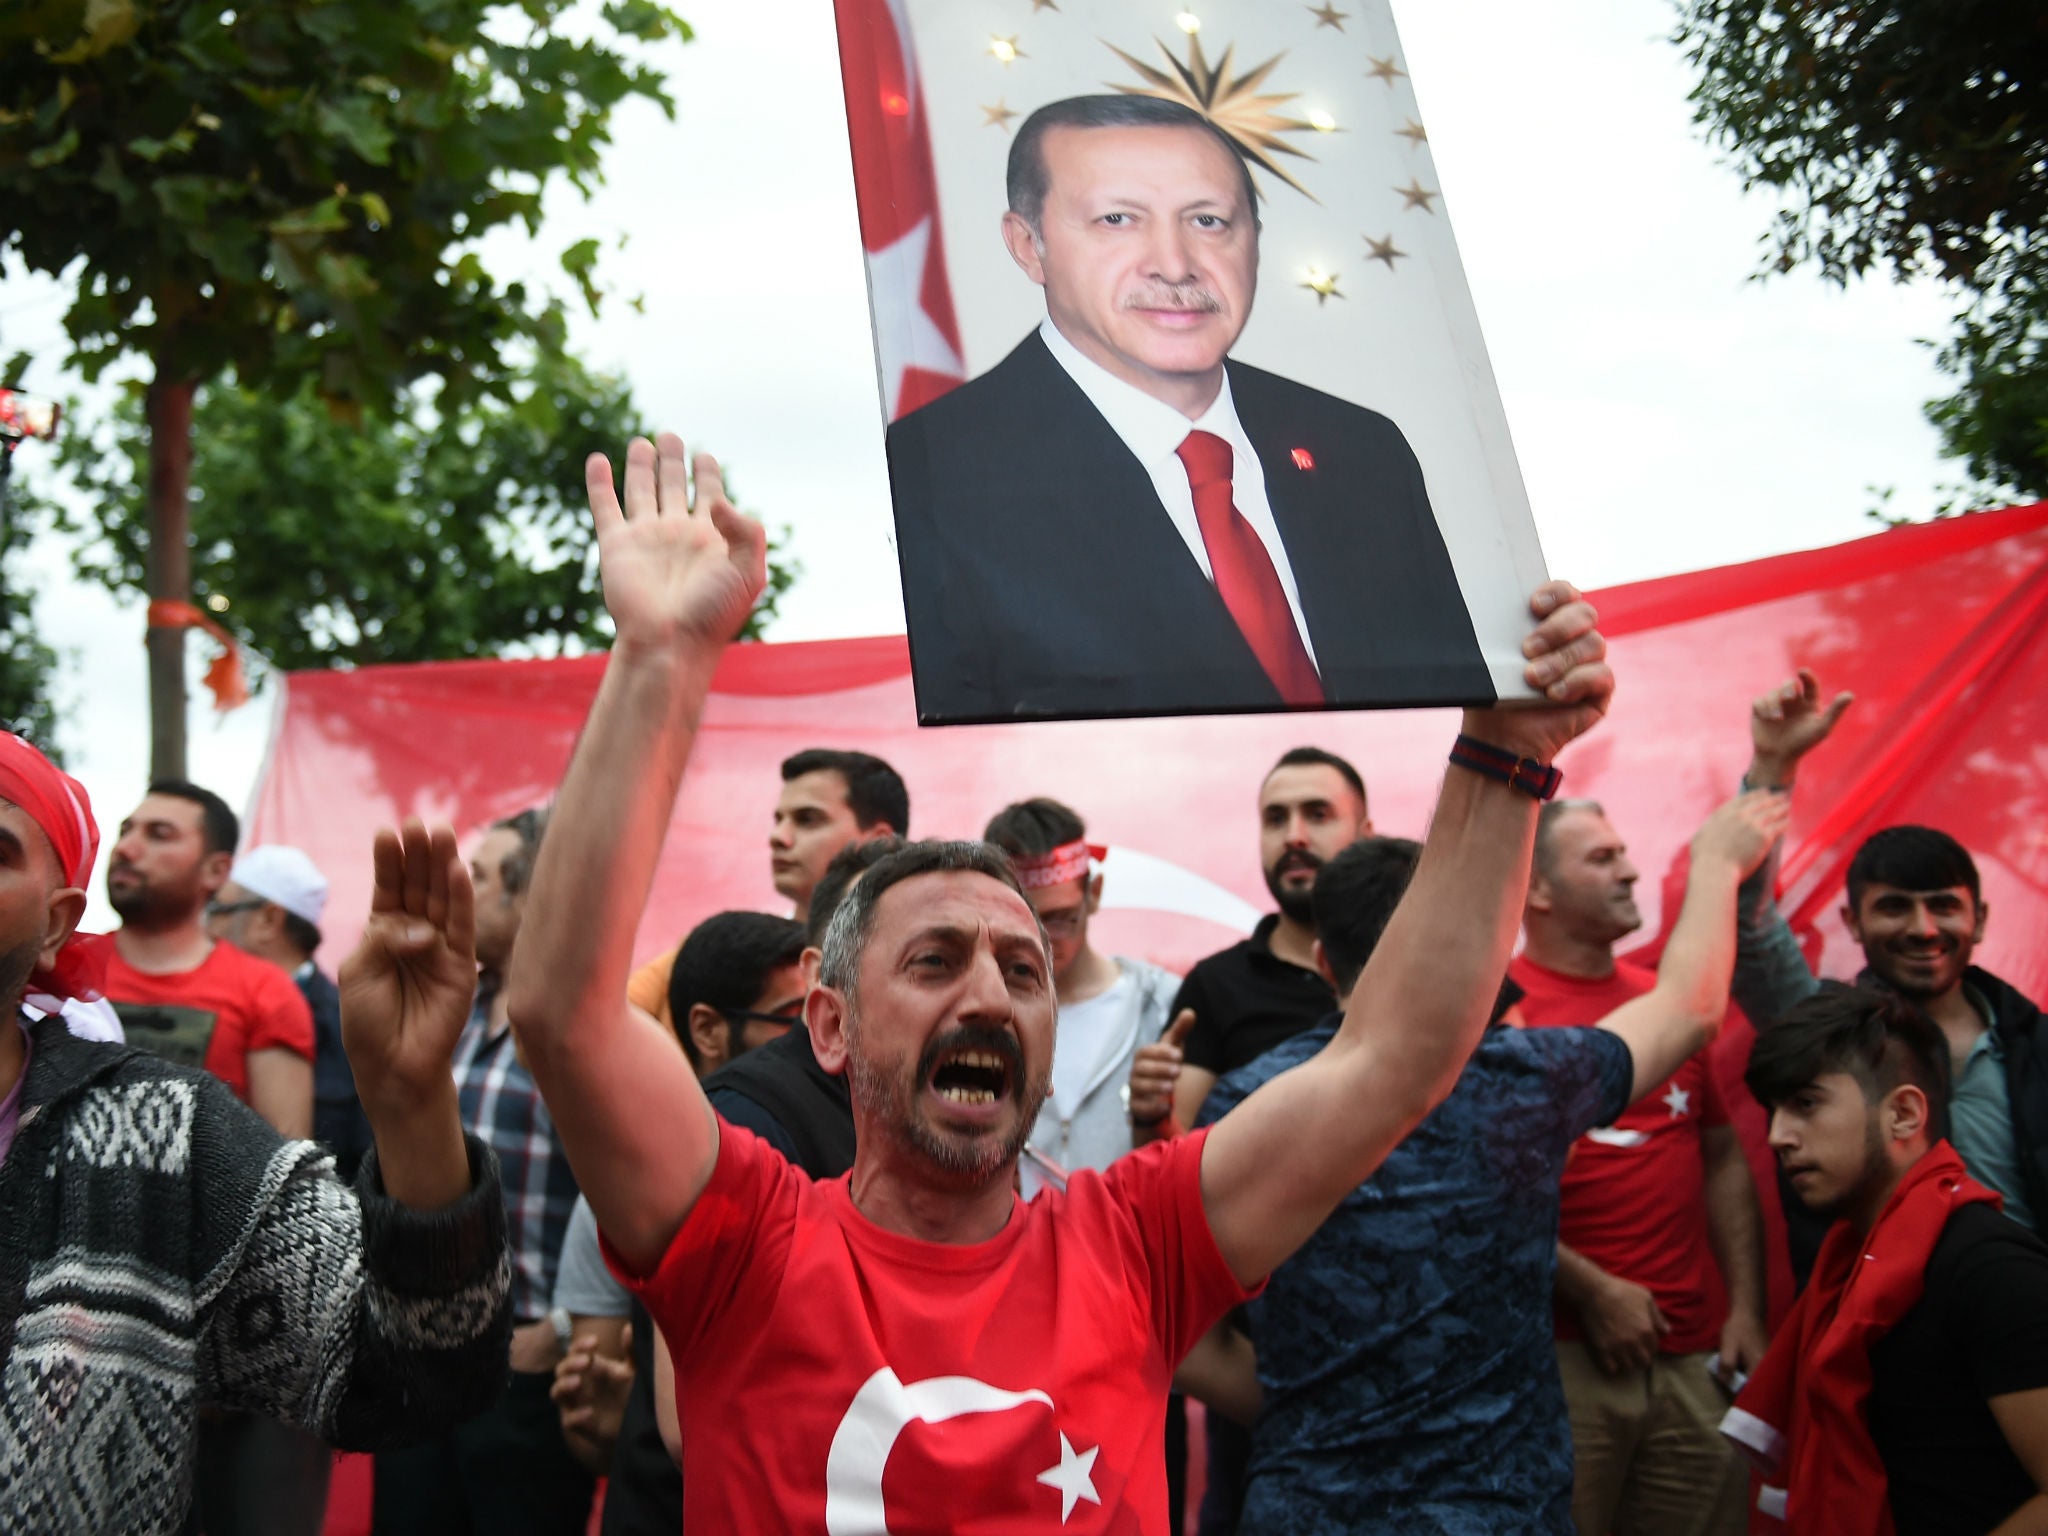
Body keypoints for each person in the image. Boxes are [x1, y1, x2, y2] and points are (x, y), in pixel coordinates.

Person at [501, 432, 1610, 1529]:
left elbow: (1393, 1057)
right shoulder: (744, 1239)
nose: (987, 993)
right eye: (934, 961)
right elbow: (565, 1014)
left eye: (1021, 969)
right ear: (828, 1028)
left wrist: (1509, 757)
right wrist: (659, 657)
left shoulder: (1135, 1245)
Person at [1197, 792, 1785, 1533]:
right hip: (1499, 1512)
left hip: (1311, 1503)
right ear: (1464, 951)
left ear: (1323, 960)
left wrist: (1313, 1409)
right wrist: (1717, 863)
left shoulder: (1242, 1105)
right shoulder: (1523, 1082)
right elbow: (1693, 1005)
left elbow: (1181, 1333)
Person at [0, 732, 514, 1536]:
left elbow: (411, 1369)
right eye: (129, 830)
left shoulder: (163, 1126)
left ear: (58, 923)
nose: (136, 846)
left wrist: (414, 1103)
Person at [885, 93, 1489, 722]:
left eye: (1208, 221)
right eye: (1118, 220)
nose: (1174, 265)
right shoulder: (930, 480)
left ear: (1254, 240)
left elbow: (1451, 713)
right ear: (1028, 246)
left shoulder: (1363, 450)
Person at [1510, 799, 1769, 1536]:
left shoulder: (1668, 1005)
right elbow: (1481, 1192)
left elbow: (1719, 1151)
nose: (1630, 870)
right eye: (1601, 858)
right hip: (1561, 1362)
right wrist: (1591, 1292)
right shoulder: (1503, 1014)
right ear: (1537, 890)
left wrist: (1746, 1309)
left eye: (1624, 851)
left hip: (1696, 1363)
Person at [1732, 669, 2048, 1268]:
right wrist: (1773, 767)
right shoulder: (1826, 1032)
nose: (1924, 929)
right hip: (1879, 1340)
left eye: (1944, 907)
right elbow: (1748, 923)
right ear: (1852, 924)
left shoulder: (2037, 1042)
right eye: (1895, 907)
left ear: (1978, 920)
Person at [1726, 984, 2048, 1534]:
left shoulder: (1991, 1270)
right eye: (1773, 1111)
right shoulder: (1847, 1270)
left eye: (1806, 1103)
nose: (1778, 1136)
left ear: (1902, 1113)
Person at [372, 806, 591, 1536]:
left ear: (533, 894)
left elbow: (620, 1203)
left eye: (480, 876)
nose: (457, 892)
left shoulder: (580, 1032)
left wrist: (558, 1330)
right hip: (420, 1363)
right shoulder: (449, 1018)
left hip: (522, 1371)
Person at [574, 907, 815, 1536]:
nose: (818, 1035)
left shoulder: (833, 1135)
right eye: (790, 1020)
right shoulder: (638, 1176)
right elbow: (675, 1430)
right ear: (708, 1030)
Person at [1127, 746, 1370, 1145]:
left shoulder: (1420, 964)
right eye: (1276, 819)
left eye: (1317, 814)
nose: (1294, 836)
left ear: (1366, 834)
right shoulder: (1215, 985)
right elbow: (1168, 1161)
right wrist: (1151, 1113)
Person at [625, 747, 907, 1026]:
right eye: (779, 820)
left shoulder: (925, 956)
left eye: (807, 819)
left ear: (880, 842)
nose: (778, 837)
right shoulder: (716, 954)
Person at [94, 780, 314, 1138]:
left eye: (159, 835)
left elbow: (284, 1164)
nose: (126, 849)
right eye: (126, 830)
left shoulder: (266, 993)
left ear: (216, 870)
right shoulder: (56, 969)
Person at [983, 797, 1178, 1193]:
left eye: (1060, 920)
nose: (1042, 941)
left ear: (1095, 894)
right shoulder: (975, 1013)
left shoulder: (1160, 1005)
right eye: (1023, 920)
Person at [206, 842, 372, 1181]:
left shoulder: (353, 1029)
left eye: (219, 909)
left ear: (268, 920)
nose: (207, 926)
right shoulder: (204, 1001)